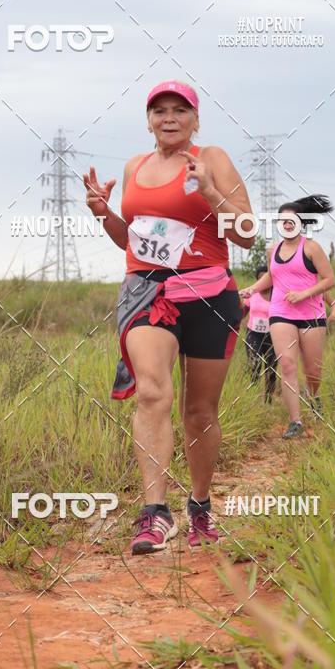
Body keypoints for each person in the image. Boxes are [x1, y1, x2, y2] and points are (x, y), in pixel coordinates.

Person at [83, 80, 255, 555]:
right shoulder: (133, 167)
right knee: (153, 392)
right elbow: (131, 241)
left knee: (200, 410)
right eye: (160, 110)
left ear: (196, 120)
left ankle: (199, 506)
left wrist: (212, 192)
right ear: (148, 120)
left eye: (181, 109)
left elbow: (246, 234)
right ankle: (154, 515)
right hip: (146, 293)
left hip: (208, 293)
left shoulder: (213, 158)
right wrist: (103, 213)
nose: (170, 117)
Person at [241, 196, 335, 439]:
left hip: (312, 314)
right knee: (287, 365)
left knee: (313, 370)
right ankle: (295, 421)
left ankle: (312, 394)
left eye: (291, 219)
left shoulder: (311, 247)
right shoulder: (273, 249)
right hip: (281, 313)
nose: (286, 223)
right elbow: (272, 278)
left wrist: (305, 293)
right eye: (282, 220)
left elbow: (329, 280)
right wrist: (252, 288)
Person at [242, 265, 277, 401]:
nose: (263, 282)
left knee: (271, 369)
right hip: (253, 334)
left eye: (265, 278)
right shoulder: (253, 294)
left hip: (272, 336)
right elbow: (243, 311)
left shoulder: (277, 295)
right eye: (260, 279)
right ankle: (253, 395)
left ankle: (268, 400)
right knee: (254, 363)